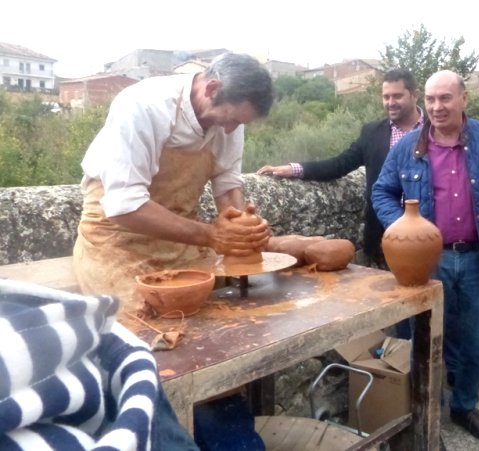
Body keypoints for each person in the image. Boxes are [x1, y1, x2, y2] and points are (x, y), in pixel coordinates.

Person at [72, 52, 275, 450]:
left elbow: (227, 183)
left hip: (183, 244)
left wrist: (241, 224)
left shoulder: (231, 117)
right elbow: (125, 205)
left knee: (215, 346)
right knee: (156, 352)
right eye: (231, 118)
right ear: (211, 88)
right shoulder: (142, 106)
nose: (233, 128)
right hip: (117, 244)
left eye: (240, 123)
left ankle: (232, 440)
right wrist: (213, 237)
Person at [372, 70, 479, 444]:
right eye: (430, 100)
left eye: (445, 98)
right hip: (428, 263)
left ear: (464, 100)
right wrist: (404, 230)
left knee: (476, 343)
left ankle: (464, 407)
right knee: (425, 342)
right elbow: (382, 191)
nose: (436, 107)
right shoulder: (409, 147)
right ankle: (426, 414)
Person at [256, 68, 423, 269]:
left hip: (428, 234)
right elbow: (340, 164)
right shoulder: (372, 133)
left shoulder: (435, 129)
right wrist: (294, 169)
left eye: (397, 96)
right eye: (386, 96)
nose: (390, 102)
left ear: (415, 95)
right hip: (384, 238)